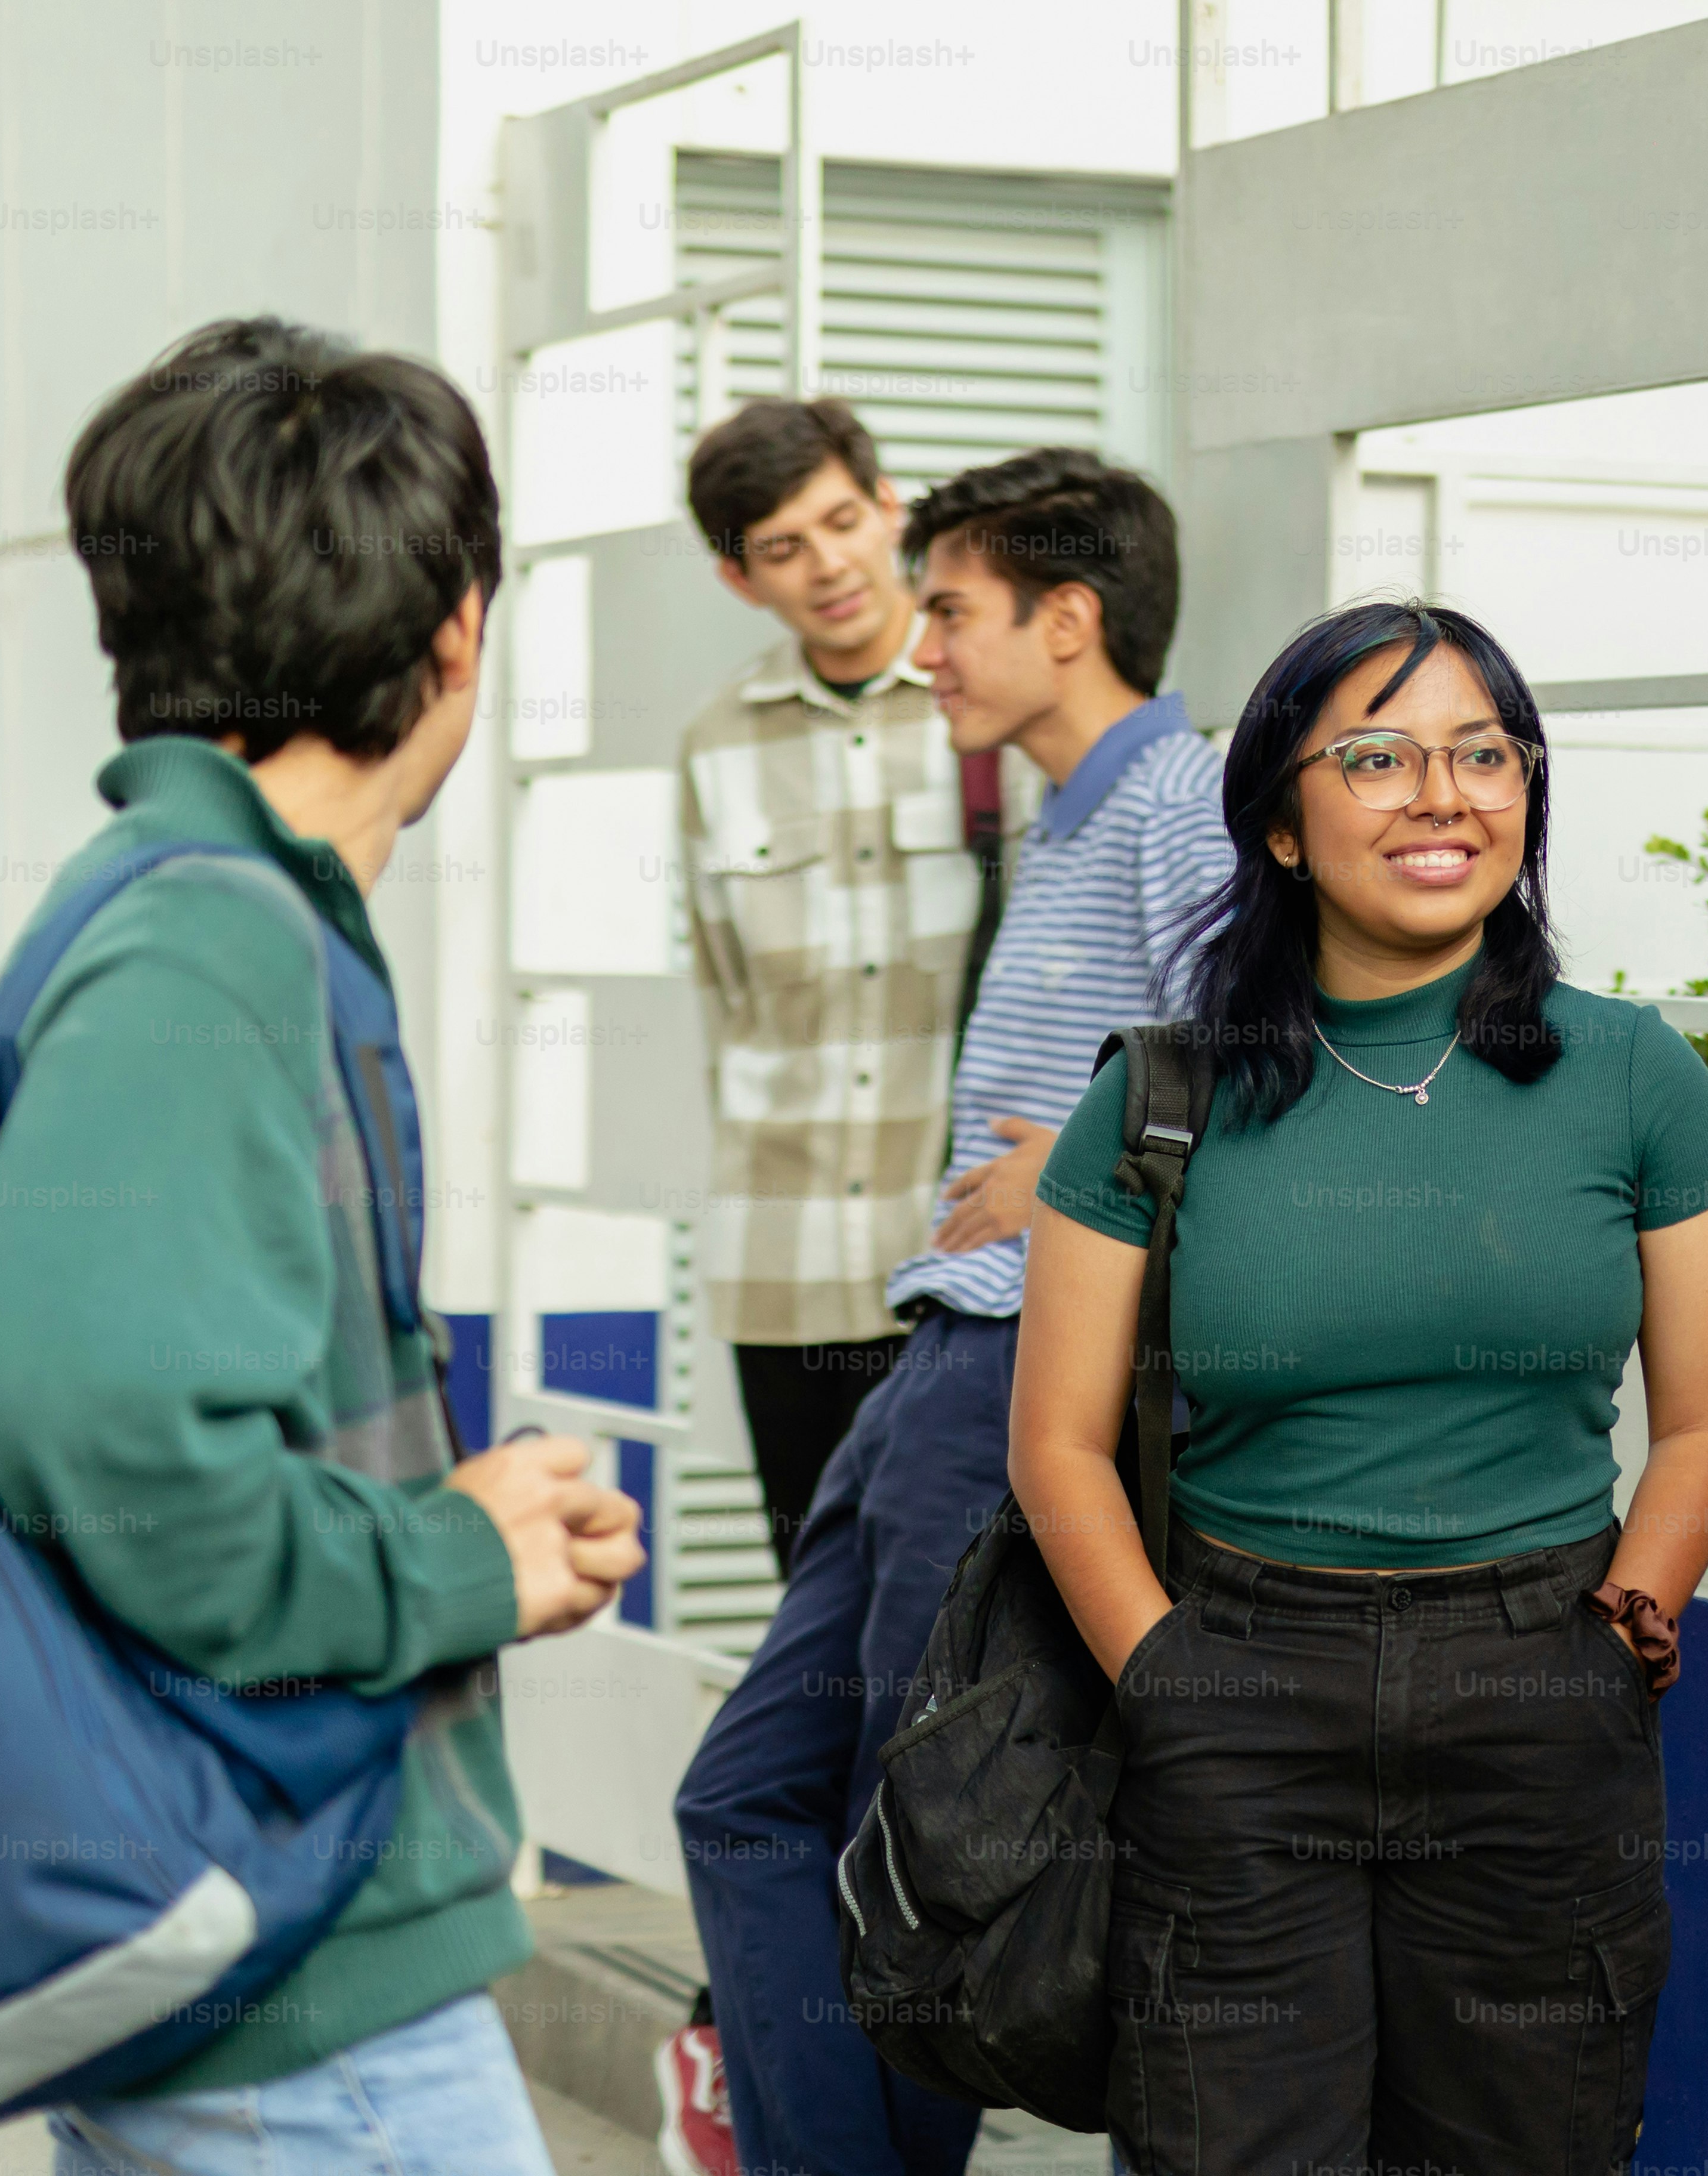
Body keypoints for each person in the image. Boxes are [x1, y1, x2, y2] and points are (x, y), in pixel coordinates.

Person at [0, 319, 645, 2175]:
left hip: (246, 1951)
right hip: (308, 1991)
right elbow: (79, 1417)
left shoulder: (201, 907)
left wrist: (455, 1520)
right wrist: (451, 1564)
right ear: (457, 633)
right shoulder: (215, 941)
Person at [1012, 601, 1708, 2175]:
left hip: (1540, 1683)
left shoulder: (1639, 1078)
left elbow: (1700, 1422)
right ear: (1283, 824)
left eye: (1484, 754)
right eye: (1378, 755)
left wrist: (1629, 1619)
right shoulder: (1159, 1099)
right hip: (1235, 1677)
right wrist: (1169, 1683)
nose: (1444, 794)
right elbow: (1060, 1449)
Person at [673, 449, 1229, 2176]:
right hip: (936, 1361)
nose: (926, 644)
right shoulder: (1064, 812)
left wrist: (1080, 1156)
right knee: (747, 1804)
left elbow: (1273, 1068)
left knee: (899, 1843)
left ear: (1070, 624)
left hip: (1017, 1368)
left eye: (958, 611)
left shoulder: (1180, 798)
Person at [677, 397, 997, 1581]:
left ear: (890, 507)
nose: (828, 567)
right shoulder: (716, 744)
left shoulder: (990, 709)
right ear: (737, 577)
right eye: (783, 548)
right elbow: (724, 998)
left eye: (842, 521)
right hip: (787, 1263)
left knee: (956, 1628)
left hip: (963, 1257)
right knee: (816, 1621)